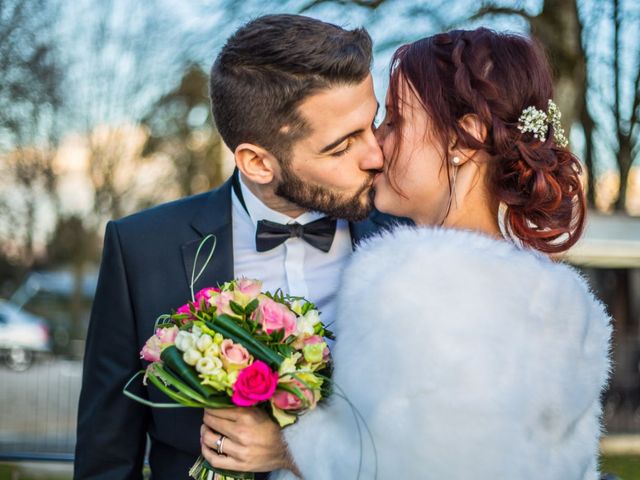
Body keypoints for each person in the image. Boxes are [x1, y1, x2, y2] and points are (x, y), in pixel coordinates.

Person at [262, 28, 612, 479]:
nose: (376, 146)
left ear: (462, 141)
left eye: (395, 122)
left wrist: (288, 446)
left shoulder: (415, 284)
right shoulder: (563, 298)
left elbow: (409, 467)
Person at [74, 14, 400, 479]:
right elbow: (105, 460)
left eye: (372, 124)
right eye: (342, 145)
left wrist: (297, 450)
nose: (376, 155)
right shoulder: (142, 250)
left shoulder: (409, 238)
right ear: (257, 162)